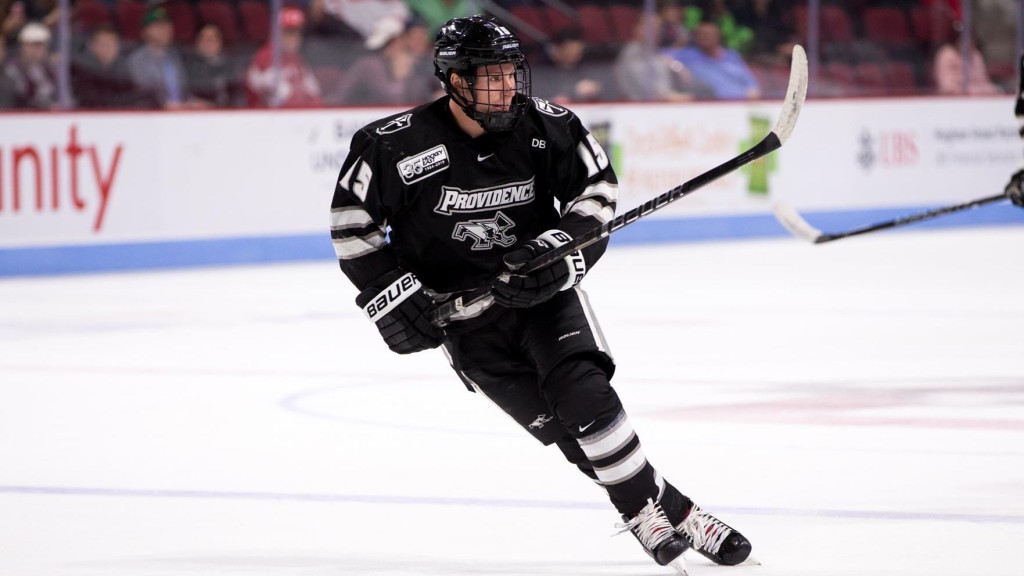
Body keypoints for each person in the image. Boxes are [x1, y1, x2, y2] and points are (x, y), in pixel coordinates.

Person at [329, 15, 752, 574]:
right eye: (492, 76)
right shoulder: (392, 145)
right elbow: (350, 223)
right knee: (570, 434)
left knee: (586, 396)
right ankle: (676, 510)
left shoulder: (546, 126)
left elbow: (596, 193)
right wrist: (390, 292)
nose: (509, 87)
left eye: (512, 73)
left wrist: (559, 248)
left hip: (543, 299)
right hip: (466, 325)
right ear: (455, 80)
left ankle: (647, 520)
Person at [325, 15, 434, 105]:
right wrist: (401, 78)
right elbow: (393, 101)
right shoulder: (369, 64)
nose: (395, 46)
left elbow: (420, 97)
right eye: (389, 43)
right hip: (356, 118)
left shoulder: (418, 62)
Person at [615, 13, 712, 102]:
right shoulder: (632, 53)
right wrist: (670, 96)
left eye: (658, 28)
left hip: (663, 105)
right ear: (638, 29)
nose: (655, 31)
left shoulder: (657, 54)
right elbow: (646, 86)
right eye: (650, 27)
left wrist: (677, 67)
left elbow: (685, 78)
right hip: (641, 108)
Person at [126, 6, 202, 109]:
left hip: (180, 114)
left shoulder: (176, 56)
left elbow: (183, 91)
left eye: (168, 25)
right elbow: (145, 95)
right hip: (153, 117)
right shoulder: (137, 60)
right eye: (159, 26)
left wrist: (194, 102)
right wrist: (168, 105)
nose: (165, 29)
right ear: (144, 32)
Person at [245, 6, 322, 108]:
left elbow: (314, 93)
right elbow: (283, 99)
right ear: (276, 33)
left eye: (297, 33)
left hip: (293, 117)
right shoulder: (265, 58)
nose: (294, 38)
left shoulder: (296, 58)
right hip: (264, 119)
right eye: (289, 33)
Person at [664, 20, 760, 100]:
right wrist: (679, 68)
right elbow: (660, 56)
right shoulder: (688, 55)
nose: (704, 37)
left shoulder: (732, 56)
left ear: (718, 36)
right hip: (712, 105)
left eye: (708, 34)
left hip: (740, 103)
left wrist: (752, 93)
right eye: (700, 35)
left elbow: (751, 84)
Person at [72, 24, 155, 109]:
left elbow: (130, 93)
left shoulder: (123, 66)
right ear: (92, 46)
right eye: (104, 44)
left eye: (113, 44)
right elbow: (89, 100)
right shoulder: (82, 68)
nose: (109, 48)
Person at [530, 27, 616, 103]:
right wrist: (573, 91)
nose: (575, 55)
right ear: (557, 49)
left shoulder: (587, 64)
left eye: (578, 51)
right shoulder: (540, 69)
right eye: (570, 51)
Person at [184, 23, 244, 107]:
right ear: (197, 42)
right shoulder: (188, 67)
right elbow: (186, 96)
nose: (207, 43)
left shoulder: (231, 66)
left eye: (211, 39)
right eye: (203, 38)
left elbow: (238, 96)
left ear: (220, 41)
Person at [933, 22, 1001, 96]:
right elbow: (947, 87)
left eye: (971, 39)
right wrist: (973, 90)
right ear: (955, 41)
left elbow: (983, 81)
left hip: (975, 98)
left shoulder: (975, 54)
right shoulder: (946, 55)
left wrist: (992, 89)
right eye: (964, 40)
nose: (968, 43)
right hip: (952, 101)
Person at [2, 21, 58, 109]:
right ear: (23, 46)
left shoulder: (51, 68)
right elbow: (21, 97)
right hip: (25, 116)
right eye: (33, 45)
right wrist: (46, 106)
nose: (37, 50)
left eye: (40, 45)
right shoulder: (13, 70)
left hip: (52, 116)